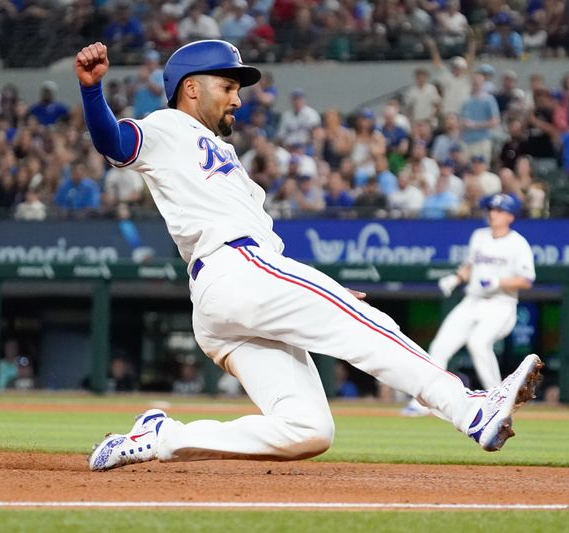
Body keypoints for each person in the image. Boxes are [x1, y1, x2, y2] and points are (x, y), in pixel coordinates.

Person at [76, 40, 542, 471]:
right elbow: (114, 143)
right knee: (366, 325)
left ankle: (161, 438)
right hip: (234, 271)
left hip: (235, 291)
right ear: (191, 89)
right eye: (228, 87)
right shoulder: (168, 126)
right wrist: (92, 91)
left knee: (308, 430)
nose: (237, 99)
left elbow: (261, 248)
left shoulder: (221, 152)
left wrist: (319, 289)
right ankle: (471, 409)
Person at [402, 193, 535, 417]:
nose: (493, 213)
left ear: (511, 216)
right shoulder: (479, 236)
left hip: (501, 303)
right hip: (472, 300)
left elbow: (527, 280)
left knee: (478, 343)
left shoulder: (518, 243)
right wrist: (456, 278)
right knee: (439, 347)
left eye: (499, 210)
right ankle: (424, 401)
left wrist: (498, 282)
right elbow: (470, 265)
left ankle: (499, 399)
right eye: (491, 209)